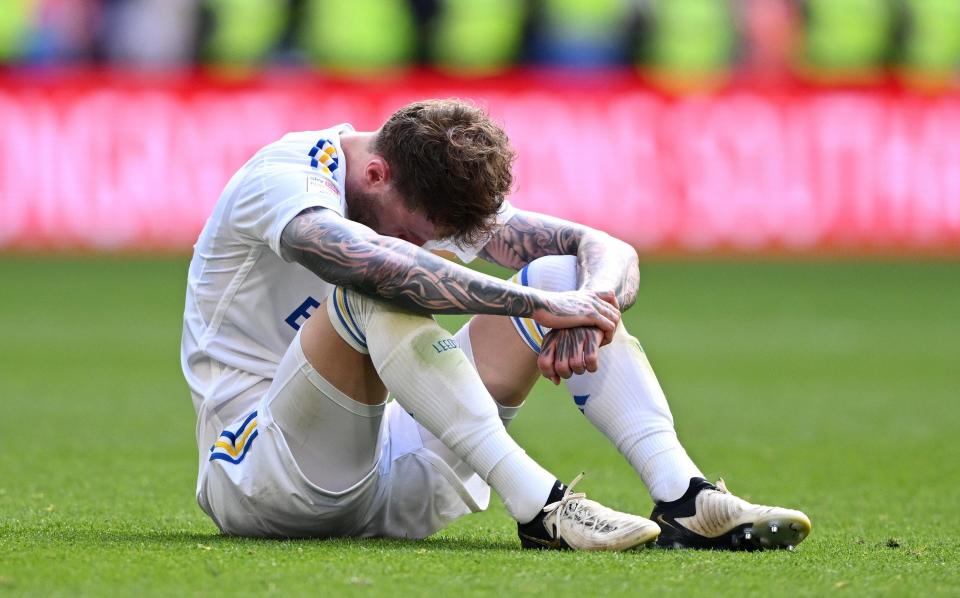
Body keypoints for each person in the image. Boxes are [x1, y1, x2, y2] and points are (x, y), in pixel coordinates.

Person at [181, 99, 812, 551]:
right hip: (268, 473)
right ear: (374, 174)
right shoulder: (283, 179)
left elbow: (605, 248)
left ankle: (684, 496)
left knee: (563, 273)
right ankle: (542, 505)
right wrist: (526, 308)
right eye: (413, 231)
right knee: (373, 287)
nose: (425, 245)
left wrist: (583, 302)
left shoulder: (412, 180)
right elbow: (377, 263)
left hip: (400, 471)